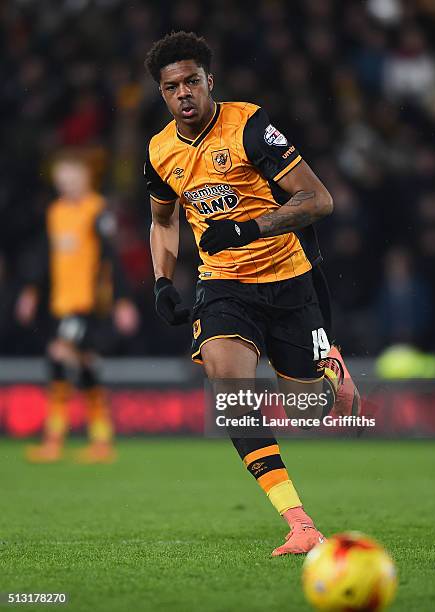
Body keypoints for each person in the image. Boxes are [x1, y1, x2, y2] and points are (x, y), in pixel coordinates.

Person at [144, 32, 359, 556]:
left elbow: (319, 199)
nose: (184, 94)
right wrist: (161, 280)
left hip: (289, 281)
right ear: (163, 94)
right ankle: (299, 521)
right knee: (230, 391)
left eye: (192, 81)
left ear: (209, 81)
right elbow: (162, 221)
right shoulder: (159, 150)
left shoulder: (250, 125)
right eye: (172, 87)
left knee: (307, 409)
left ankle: (330, 369)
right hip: (223, 286)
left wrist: (249, 228)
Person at [16, 151, 139, 463]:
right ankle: (101, 440)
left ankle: (54, 439)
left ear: (84, 178)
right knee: (84, 365)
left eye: (71, 178)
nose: (66, 184)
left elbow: (111, 258)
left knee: (58, 355)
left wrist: (122, 300)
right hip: (61, 302)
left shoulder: (97, 210)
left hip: (85, 303)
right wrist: (31, 291)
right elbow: (47, 258)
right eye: (61, 179)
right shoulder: (56, 212)